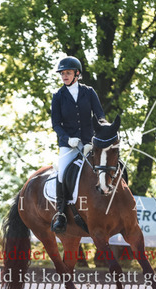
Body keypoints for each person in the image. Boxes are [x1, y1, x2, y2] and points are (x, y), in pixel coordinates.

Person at [50, 56, 105, 233]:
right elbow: (56, 124)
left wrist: (97, 136)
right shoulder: (58, 96)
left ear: (77, 73)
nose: (64, 76)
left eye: (68, 73)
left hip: (89, 143)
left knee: (108, 166)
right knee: (61, 172)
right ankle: (61, 213)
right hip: (68, 145)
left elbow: (100, 116)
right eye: (62, 73)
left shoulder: (89, 92)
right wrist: (68, 139)